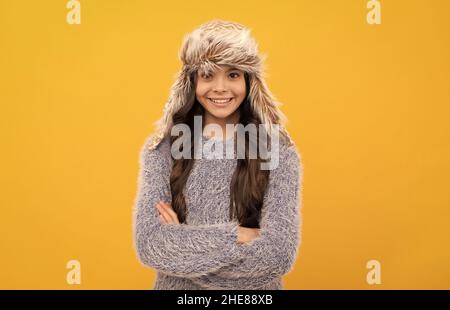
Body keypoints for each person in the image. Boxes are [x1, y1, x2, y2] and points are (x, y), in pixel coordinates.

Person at [133, 20, 303, 290]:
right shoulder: (163, 149)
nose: (220, 87)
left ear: (249, 80)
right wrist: (239, 234)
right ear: (191, 81)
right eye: (208, 74)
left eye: (233, 74)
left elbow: (277, 256)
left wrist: (184, 249)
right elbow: (152, 244)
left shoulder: (279, 151)